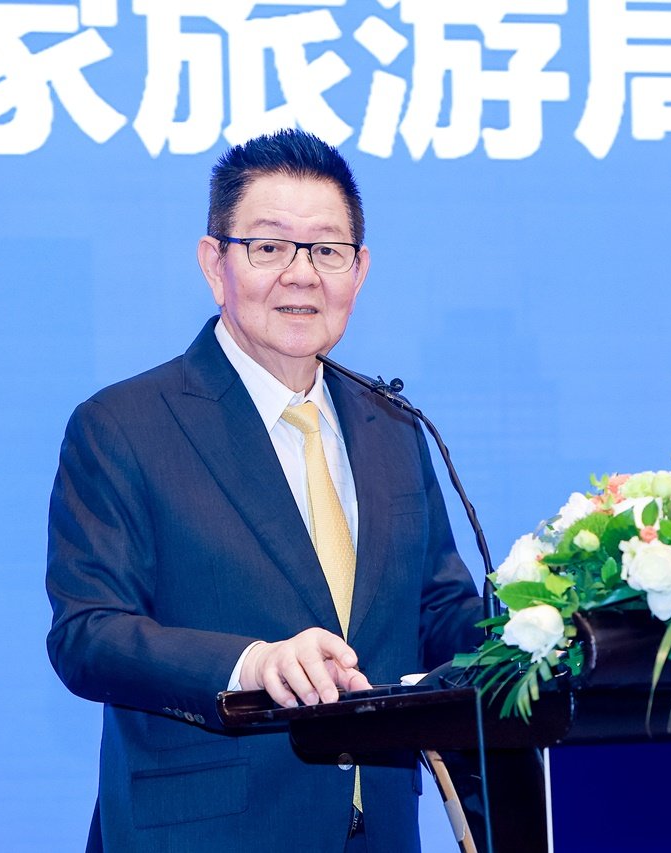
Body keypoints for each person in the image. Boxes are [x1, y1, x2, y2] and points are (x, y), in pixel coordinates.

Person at [46, 128, 482, 852]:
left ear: (359, 270)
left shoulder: (394, 425)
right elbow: (88, 635)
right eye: (269, 246)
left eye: (327, 251)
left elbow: (440, 614)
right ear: (214, 264)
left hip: (378, 831)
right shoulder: (123, 425)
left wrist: (548, 626)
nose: (301, 275)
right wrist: (251, 664)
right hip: (207, 834)